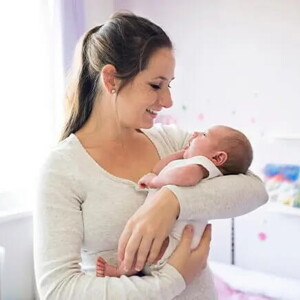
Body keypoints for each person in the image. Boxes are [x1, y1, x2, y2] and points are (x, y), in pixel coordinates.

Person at [34, 12, 268, 300]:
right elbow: (58, 290)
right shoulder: (63, 168)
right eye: (156, 85)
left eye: (169, 85)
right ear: (111, 80)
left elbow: (255, 190)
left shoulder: (173, 143)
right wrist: (171, 280)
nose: (168, 100)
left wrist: (172, 202)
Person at [95, 125, 253, 277]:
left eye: (204, 134)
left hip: (176, 241)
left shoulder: (204, 166)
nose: (196, 133)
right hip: (176, 240)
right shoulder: (188, 163)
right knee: (143, 244)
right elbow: (159, 168)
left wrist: (156, 181)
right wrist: (180, 155)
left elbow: (187, 177)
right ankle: (126, 269)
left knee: (145, 246)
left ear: (218, 157)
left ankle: (123, 270)